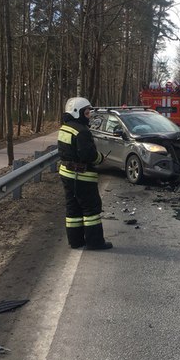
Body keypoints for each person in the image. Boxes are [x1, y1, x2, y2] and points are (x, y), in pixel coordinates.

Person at [57, 97, 113, 250]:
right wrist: (100, 158)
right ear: (78, 112)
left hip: (66, 173)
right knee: (91, 209)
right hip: (81, 175)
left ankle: (75, 241)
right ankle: (95, 242)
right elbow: (88, 155)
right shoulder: (82, 132)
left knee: (73, 207)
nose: (89, 116)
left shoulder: (65, 128)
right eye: (87, 113)